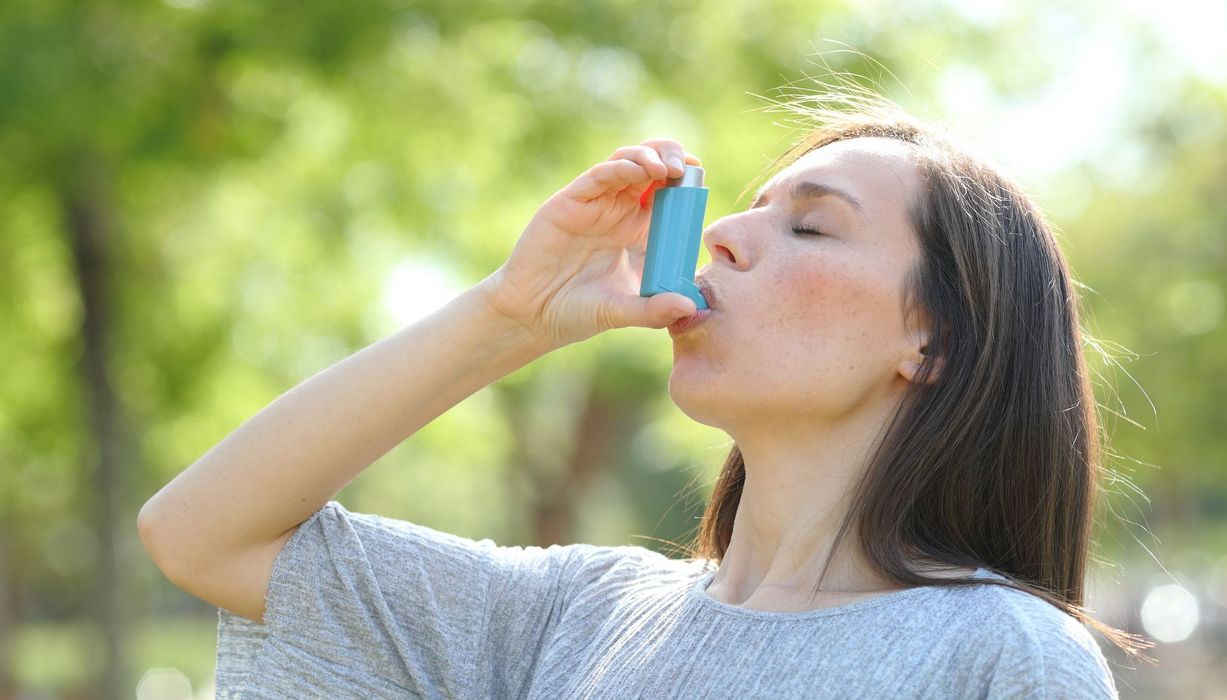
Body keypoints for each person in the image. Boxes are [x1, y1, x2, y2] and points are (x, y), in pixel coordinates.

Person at [138, 94, 1150, 697]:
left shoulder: (1001, 656)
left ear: (930, 336)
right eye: (741, 213)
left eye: (811, 226)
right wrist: (510, 314)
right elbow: (201, 532)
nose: (725, 238)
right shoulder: (573, 614)